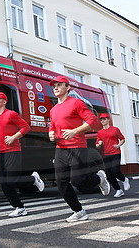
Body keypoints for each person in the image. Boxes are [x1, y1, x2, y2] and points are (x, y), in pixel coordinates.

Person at [48, 76, 110, 223]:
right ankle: (79, 211)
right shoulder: (54, 109)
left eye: (59, 85)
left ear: (67, 87)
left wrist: (75, 131)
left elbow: (93, 122)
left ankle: (99, 177)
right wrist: (51, 132)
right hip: (61, 148)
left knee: (78, 180)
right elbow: (53, 125)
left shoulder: (76, 103)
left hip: (77, 146)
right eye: (54, 86)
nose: (55, 88)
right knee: (61, 182)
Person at [0, 92, 44, 218]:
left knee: (12, 180)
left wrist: (13, 137)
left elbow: (25, 128)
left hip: (13, 151)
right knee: (3, 183)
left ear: (4, 101)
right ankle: (20, 207)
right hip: (1, 153)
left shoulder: (11, 114)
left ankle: (33, 179)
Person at [96, 113, 130, 198]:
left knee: (115, 170)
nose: (103, 121)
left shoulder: (115, 130)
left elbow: (122, 139)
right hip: (106, 154)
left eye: (104, 119)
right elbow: (97, 145)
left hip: (116, 152)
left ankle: (124, 179)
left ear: (108, 120)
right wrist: (99, 144)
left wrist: (118, 145)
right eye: (101, 119)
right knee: (109, 174)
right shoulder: (100, 132)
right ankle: (119, 190)